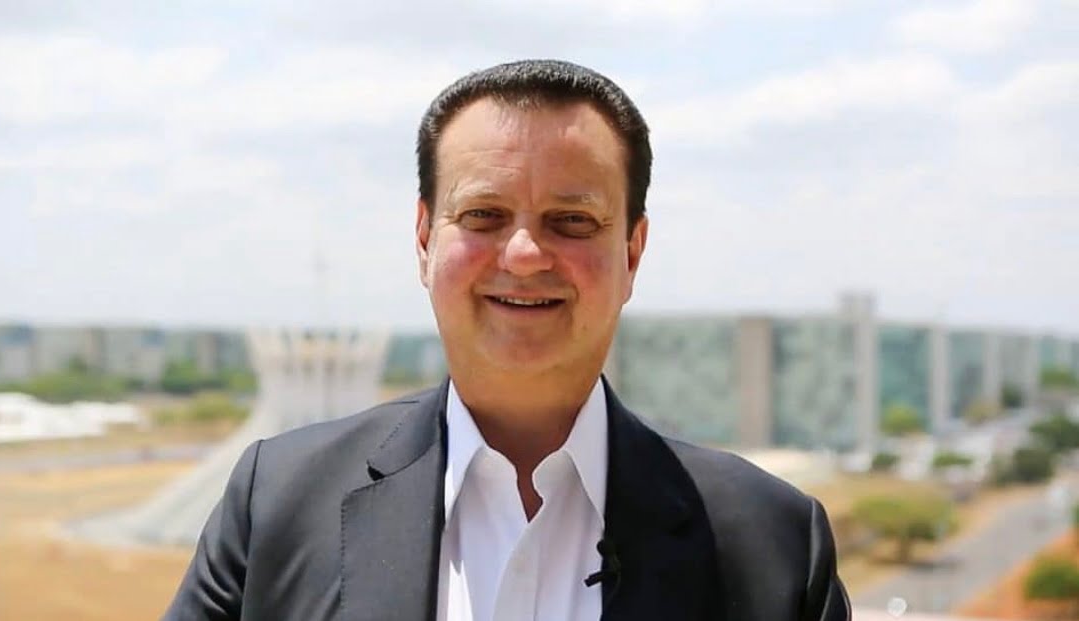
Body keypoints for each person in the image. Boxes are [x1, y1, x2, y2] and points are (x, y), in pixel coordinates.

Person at [164, 59, 850, 620]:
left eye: (571, 221)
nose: (524, 255)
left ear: (632, 252)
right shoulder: (277, 504)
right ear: (425, 240)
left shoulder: (774, 545)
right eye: (484, 215)